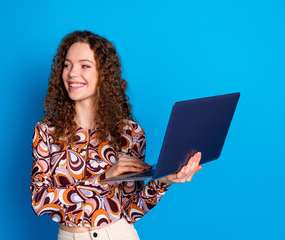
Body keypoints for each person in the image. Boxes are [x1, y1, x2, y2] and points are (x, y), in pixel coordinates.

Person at [30, 30, 202, 240]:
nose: (72, 73)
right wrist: (104, 179)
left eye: (84, 65)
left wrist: (164, 181)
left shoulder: (129, 133)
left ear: (104, 74)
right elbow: (39, 200)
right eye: (67, 65)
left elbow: (131, 211)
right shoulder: (46, 132)